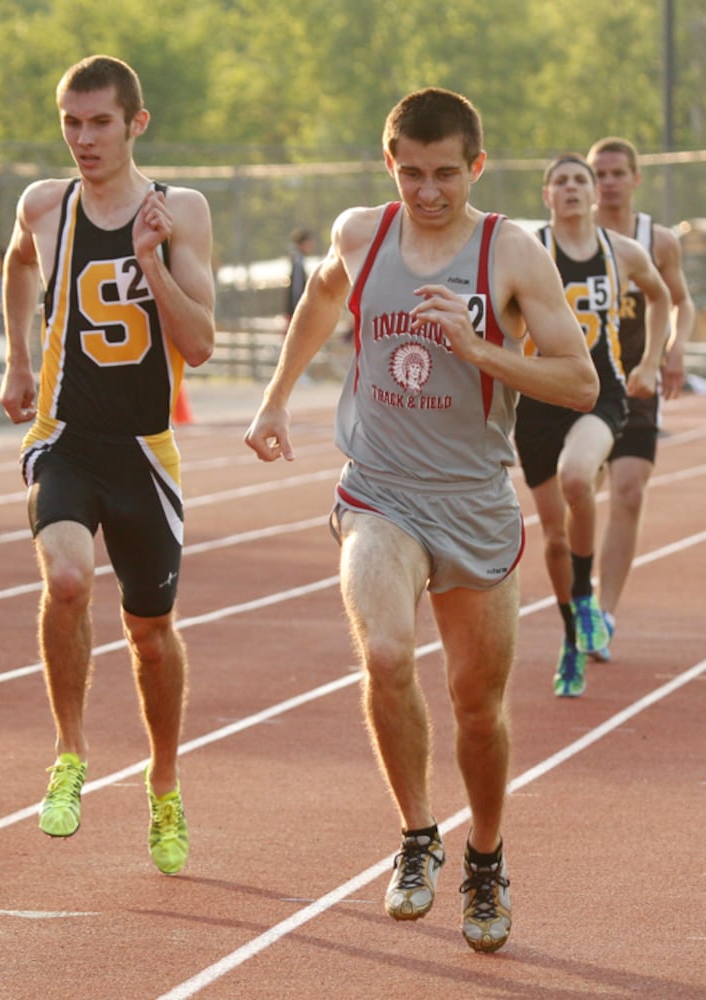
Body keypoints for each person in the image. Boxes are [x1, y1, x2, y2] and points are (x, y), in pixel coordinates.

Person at [245, 88, 599, 953]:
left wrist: (479, 350)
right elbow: (322, 301)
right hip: (381, 489)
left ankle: (483, 855)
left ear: (475, 167)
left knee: (476, 708)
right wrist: (276, 398)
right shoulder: (361, 234)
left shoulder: (509, 251)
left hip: (474, 501)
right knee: (386, 651)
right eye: (411, 173)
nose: (428, 190)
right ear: (388, 164)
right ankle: (415, 836)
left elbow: (580, 382)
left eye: (445, 173)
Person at [0, 55, 215, 874]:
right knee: (64, 579)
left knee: (150, 637)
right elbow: (22, 261)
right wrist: (21, 361)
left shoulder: (179, 211)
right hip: (64, 435)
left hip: (144, 454)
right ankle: (69, 754)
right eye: (70, 123)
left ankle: (163, 785)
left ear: (136, 124)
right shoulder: (44, 205)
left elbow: (199, 342)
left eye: (98, 123)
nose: (83, 140)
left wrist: (151, 262)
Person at [514, 154, 671, 697]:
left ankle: (586, 603)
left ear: (593, 193)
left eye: (581, 180)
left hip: (600, 393)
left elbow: (661, 297)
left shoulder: (621, 252)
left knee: (578, 477)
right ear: (547, 195)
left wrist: (650, 361)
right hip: (536, 400)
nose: (575, 188)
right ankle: (570, 632)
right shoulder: (527, 251)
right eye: (562, 181)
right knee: (555, 539)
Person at [587, 137, 695, 659]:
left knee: (628, 489)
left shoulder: (658, 240)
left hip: (636, 382)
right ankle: (579, 598)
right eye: (598, 173)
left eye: (615, 172)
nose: (607, 182)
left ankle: (603, 614)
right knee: (576, 496)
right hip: (579, 384)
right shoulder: (567, 238)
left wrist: (670, 352)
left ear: (634, 178)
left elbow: (681, 304)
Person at [284, 227, 314, 329]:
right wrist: (300, 308)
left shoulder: (297, 259)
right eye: (308, 241)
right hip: (295, 311)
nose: (310, 245)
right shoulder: (297, 261)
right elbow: (297, 289)